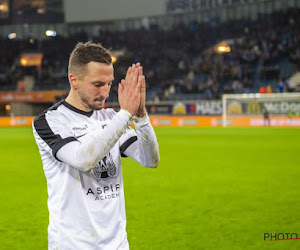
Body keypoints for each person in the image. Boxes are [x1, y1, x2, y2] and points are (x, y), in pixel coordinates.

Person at [32, 42, 160, 250]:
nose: (106, 92)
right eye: (98, 84)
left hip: (117, 244)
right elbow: (83, 160)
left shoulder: (110, 117)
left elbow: (150, 160)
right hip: (73, 244)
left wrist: (141, 117)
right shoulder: (50, 121)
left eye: (109, 84)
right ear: (74, 80)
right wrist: (125, 114)